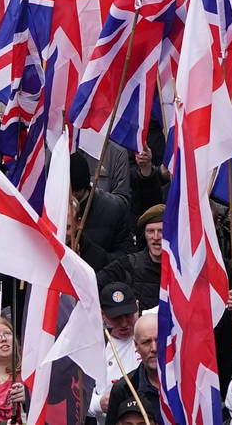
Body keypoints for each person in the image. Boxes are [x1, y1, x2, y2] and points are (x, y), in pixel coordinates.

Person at [70, 152, 136, 271]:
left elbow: (126, 258)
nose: (71, 197)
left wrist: (89, 250)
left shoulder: (113, 209)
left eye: (75, 192)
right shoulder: (47, 207)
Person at [91, 282, 141, 421]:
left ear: (137, 306)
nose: (124, 323)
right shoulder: (93, 347)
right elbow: (75, 397)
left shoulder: (153, 334)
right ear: (102, 314)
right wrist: (98, 403)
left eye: (128, 315)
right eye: (116, 317)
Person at [105, 314, 161, 425]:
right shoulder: (123, 388)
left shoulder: (187, 383)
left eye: (158, 340)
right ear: (136, 345)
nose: (154, 348)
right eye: (146, 342)